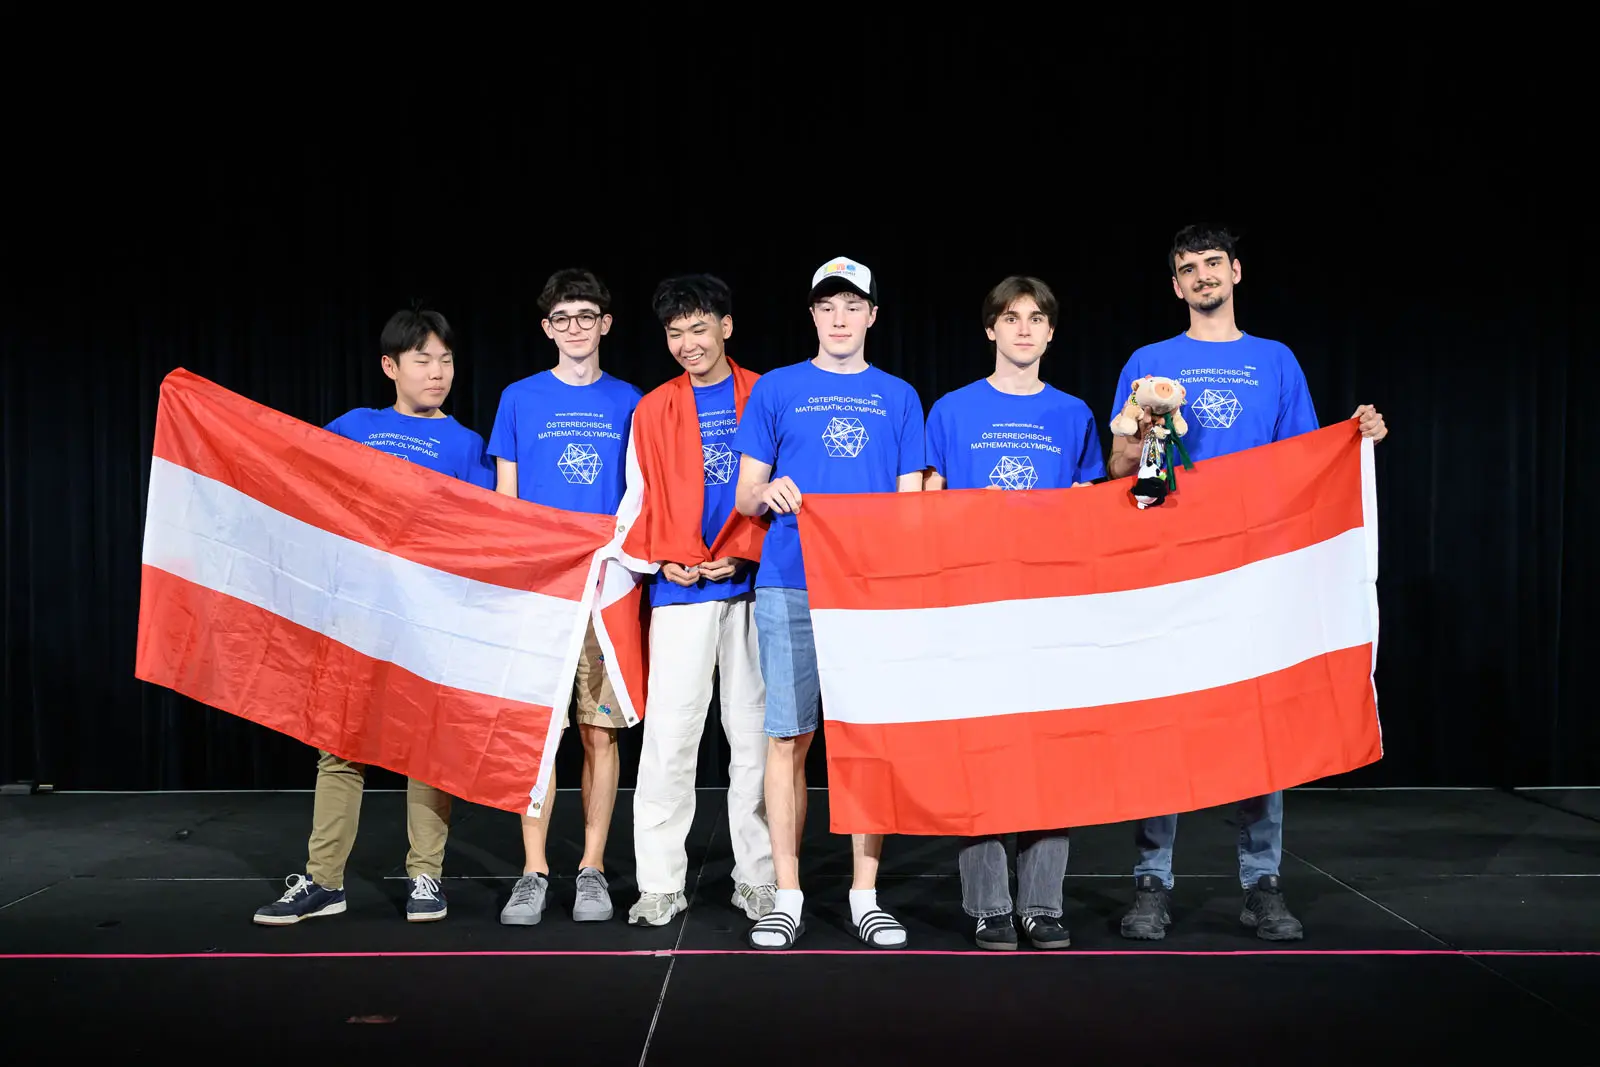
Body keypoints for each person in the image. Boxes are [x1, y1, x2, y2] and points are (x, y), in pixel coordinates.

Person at [1106, 224, 1388, 942]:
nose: (1202, 276)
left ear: (1236, 271)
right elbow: (1120, 468)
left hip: (1254, 568)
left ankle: (1262, 883)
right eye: (1187, 268)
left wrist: (1354, 437)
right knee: (1166, 719)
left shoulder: (1275, 360)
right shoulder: (1149, 361)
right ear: (1175, 285)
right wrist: (1147, 429)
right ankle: (1151, 883)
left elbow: (1305, 460)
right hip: (1171, 563)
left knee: (1260, 724)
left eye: (1212, 263)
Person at [254, 306, 495, 926]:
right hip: (357, 615)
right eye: (423, 360)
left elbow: (485, 532)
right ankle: (324, 881)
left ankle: (426, 877)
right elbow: (297, 480)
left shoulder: (468, 445)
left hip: (428, 619)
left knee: (427, 750)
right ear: (391, 366)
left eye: (446, 360)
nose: (437, 372)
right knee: (340, 747)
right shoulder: (355, 427)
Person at [733, 256, 926, 950]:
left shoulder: (899, 396)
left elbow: (910, 506)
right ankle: (786, 895)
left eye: (852, 306)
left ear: (872, 315)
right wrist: (767, 492)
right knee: (788, 737)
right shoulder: (777, 388)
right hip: (790, 581)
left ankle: (864, 894)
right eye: (827, 306)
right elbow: (744, 494)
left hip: (869, 593)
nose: (839, 318)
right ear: (812, 315)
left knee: (866, 739)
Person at [923, 275, 1104, 951]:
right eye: (1010, 317)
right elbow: (928, 509)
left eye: (1035, 319)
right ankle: (989, 904)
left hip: (1049, 608)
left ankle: (1042, 903)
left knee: (1050, 755)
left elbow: (1090, 511)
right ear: (990, 329)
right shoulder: (952, 410)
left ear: (1051, 333)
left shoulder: (1074, 413)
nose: (1023, 329)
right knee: (981, 753)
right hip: (974, 604)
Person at [488, 268, 644, 926]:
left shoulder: (634, 401)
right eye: (562, 317)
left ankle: (592, 868)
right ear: (546, 327)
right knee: (536, 734)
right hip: (539, 593)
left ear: (605, 324)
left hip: (607, 591)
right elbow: (504, 503)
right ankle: (533, 870)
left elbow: (644, 499)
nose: (574, 327)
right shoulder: (519, 398)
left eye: (586, 316)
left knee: (599, 732)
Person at [623, 274, 776, 927]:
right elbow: (635, 502)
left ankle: (758, 877)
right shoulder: (652, 408)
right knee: (670, 737)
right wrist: (660, 558)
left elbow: (785, 488)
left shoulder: (767, 393)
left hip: (755, 586)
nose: (688, 342)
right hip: (679, 589)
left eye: (699, 327)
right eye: (675, 332)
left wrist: (748, 551)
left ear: (726, 327)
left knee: (756, 737)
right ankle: (660, 883)